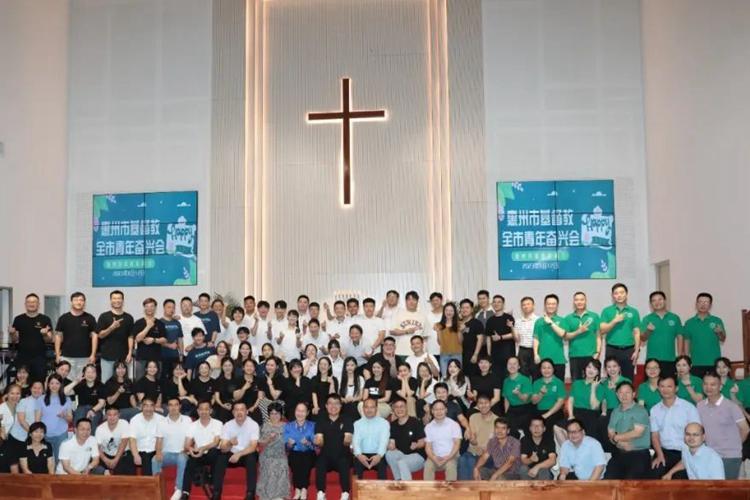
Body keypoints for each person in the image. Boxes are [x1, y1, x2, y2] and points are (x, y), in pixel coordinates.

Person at [696, 371, 749, 479]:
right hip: (709, 455)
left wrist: (734, 445)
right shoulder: (700, 406)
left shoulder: (731, 406)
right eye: (705, 384)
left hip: (729, 456)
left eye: (713, 384)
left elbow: (745, 429)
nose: (708, 387)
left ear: (720, 387)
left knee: (727, 491)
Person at [648, 375, 700, 479]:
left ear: (676, 388)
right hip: (664, 452)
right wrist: (659, 454)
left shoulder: (688, 408)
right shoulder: (654, 410)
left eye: (669, 386)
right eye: (662, 386)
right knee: (653, 475)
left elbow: (697, 435)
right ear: (658, 388)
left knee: (679, 479)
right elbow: (655, 435)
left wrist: (688, 456)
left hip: (686, 452)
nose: (665, 390)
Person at [604, 381, 651, 479]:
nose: (624, 395)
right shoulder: (615, 411)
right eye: (621, 392)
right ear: (617, 394)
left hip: (638, 454)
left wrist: (617, 437)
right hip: (619, 452)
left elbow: (637, 432)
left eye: (627, 392)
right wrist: (617, 442)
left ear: (634, 394)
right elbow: (610, 432)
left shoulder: (640, 410)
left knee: (631, 485)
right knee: (608, 479)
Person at [215, 400, 260, 500]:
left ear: (247, 411)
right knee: (221, 457)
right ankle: (216, 492)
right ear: (233, 412)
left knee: (252, 458)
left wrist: (239, 454)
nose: (239, 412)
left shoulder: (253, 425)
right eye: (236, 410)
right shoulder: (227, 425)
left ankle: (250, 493)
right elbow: (223, 449)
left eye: (242, 410)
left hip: (246, 453)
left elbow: (253, 447)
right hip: (231, 453)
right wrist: (230, 443)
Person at [179, 400, 222, 499]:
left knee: (215, 453)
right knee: (190, 462)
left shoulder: (218, 423)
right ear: (198, 411)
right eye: (201, 409)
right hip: (198, 453)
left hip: (212, 452)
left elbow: (216, 442)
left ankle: (215, 489)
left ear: (210, 411)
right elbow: (186, 444)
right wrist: (190, 450)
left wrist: (203, 448)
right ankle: (185, 492)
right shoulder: (192, 425)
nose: (204, 412)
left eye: (206, 409)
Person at [314, 394, 353, 500]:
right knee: (320, 461)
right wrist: (318, 441)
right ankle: (321, 492)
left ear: (341, 406)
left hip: (342, 455)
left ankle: (345, 492)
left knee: (345, 460)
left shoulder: (347, 419)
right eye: (330, 403)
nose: (333, 406)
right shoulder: (321, 419)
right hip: (326, 455)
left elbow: (347, 439)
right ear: (326, 406)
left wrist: (348, 439)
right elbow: (319, 440)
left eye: (336, 403)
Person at [599, 283, 641, 381]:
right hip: (612, 349)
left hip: (629, 350)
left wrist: (637, 350)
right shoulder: (607, 311)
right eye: (616, 293)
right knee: (611, 379)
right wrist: (614, 321)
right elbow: (602, 330)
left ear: (626, 294)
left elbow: (637, 332)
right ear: (612, 296)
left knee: (628, 379)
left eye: (622, 292)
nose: (619, 295)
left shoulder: (633, 311)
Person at [153, 397, 191, 500]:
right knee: (154, 460)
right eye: (171, 405)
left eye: (176, 405)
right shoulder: (162, 422)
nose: (173, 407)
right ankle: (157, 488)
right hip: (167, 454)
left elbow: (190, 438)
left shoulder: (187, 420)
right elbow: (159, 440)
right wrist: (158, 452)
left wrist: (186, 449)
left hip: (181, 453)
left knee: (182, 458)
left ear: (180, 406)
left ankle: (178, 489)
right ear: (167, 407)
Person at [10, 293, 54, 382]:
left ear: (38, 304)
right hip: (22, 357)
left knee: (39, 384)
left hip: (39, 358)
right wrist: (12, 333)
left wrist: (45, 334)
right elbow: (14, 340)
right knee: (22, 383)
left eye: (34, 302)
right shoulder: (18, 319)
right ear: (25, 304)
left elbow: (49, 339)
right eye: (29, 302)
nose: (31, 304)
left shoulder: (45, 319)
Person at [54, 292, 98, 379]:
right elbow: (58, 336)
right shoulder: (63, 318)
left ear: (84, 302)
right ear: (71, 302)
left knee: (82, 382)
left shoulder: (90, 318)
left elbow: (95, 336)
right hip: (67, 357)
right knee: (66, 382)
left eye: (81, 300)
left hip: (85, 357)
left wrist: (93, 354)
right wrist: (57, 355)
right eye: (76, 300)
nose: (79, 302)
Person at [640, 291, 682, 378]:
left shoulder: (674, 318)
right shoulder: (647, 319)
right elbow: (643, 338)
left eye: (660, 299)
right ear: (651, 303)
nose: (657, 302)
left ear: (665, 301)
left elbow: (680, 336)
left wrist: (680, 357)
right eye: (654, 300)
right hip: (652, 360)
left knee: (670, 388)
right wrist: (648, 330)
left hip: (670, 359)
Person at [96, 290, 135, 383]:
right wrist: (111, 327)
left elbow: (130, 336)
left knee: (124, 383)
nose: (117, 300)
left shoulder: (129, 317)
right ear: (111, 300)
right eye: (114, 298)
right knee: (106, 382)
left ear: (122, 300)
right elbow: (100, 335)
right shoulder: (104, 316)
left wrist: (130, 353)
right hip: (107, 357)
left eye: (119, 298)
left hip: (124, 358)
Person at [683, 292, 725, 377]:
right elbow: (686, 342)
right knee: (697, 388)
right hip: (695, 363)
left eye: (706, 302)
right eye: (700, 302)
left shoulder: (717, 320)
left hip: (714, 363)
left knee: (713, 388)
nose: (703, 304)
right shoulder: (689, 323)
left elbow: (722, 339)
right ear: (696, 304)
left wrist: (720, 332)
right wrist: (687, 361)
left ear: (710, 305)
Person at [457, 394, 498, 480]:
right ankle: (465, 490)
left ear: (490, 404)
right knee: (462, 459)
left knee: (472, 461)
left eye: (486, 403)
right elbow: (473, 439)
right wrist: (472, 439)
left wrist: (484, 449)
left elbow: (495, 442)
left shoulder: (497, 420)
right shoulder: (473, 417)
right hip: (473, 451)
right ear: (477, 405)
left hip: (488, 454)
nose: (483, 406)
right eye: (480, 403)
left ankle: (473, 488)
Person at [385, 397, 426, 480]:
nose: (399, 409)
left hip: (417, 457)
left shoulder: (415, 422)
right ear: (393, 410)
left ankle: (407, 488)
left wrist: (417, 445)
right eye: (396, 407)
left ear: (406, 408)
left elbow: (422, 442)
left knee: (401, 462)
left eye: (402, 406)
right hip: (402, 455)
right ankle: (399, 480)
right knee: (389, 454)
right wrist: (389, 446)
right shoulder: (393, 425)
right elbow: (392, 443)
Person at [564, 292, 601, 381]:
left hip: (591, 355)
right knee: (576, 383)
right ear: (574, 302)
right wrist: (578, 331)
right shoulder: (568, 318)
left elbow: (598, 336)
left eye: (581, 299)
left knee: (593, 383)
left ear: (585, 301)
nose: (579, 302)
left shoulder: (594, 316)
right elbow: (566, 337)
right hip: (575, 356)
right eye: (576, 300)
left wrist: (598, 352)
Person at [284, 402, 316, 500]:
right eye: (298, 410)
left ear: (307, 413)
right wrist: (289, 445)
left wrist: (308, 444)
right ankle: (298, 489)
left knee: (306, 458)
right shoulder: (288, 426)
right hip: (294, 453)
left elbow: (317, 447)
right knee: (295, 458)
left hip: (309, 453)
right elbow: (286, 448)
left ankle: (304, 489)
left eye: (303, 411)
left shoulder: (313, 425)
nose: (300, 413)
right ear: (295, 412)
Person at [423, 400, 461, 480]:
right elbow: (428, 447)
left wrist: (447, 458)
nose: (439, 412)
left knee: (450, 466)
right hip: (434, 457)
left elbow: (457, 444)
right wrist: (434, 458)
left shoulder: (454, 425)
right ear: (432, 411)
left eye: (441, 409)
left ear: (446, 410)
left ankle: (449, 491)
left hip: (451, 457)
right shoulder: (428, 427)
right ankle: (428, 491)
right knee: (428, 465)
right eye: (436, 409)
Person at [353, 397, 390, 479]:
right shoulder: (357, 423)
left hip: (378, 455)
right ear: (363, 409)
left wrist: (379, 456)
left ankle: (381, 491)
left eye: (372, 407)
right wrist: (359, 455)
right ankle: (357, 491)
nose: (369, 410)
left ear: (376, 408)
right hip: (361, 455)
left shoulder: (384, 423)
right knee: (356, 472)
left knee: (382, 469)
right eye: (366, 407)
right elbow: (355, 441)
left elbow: (384, 441)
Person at [530, 359, 566, 442]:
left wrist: (547, 415)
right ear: (540, 370)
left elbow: (560, 402)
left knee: (547, 427)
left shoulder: (558, 382)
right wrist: (541, 394)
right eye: (544, 368)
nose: (546, 370)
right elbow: (534, 401)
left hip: (555, 412)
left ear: (553, 369)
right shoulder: (536, 383)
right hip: (539, 412)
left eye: (549, 368)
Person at [532, 294, 566, 380]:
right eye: (549, 304)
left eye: (553, 304)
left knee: (559, 387)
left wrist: (551, 322)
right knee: (539, 388)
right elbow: (536, 339)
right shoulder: (538, 322)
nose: (551, 306)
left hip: (558, 360)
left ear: (557, 306)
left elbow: (563, 334)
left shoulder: (562, 320)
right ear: (545, 305)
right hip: (542, 360)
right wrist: (536, 354)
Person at [484, 295, 515, 386]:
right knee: (497, 379)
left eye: (499, 302)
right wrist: (488, 354)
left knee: (508, 379)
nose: (496, 304)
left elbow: (514, 335)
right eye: (494, 302)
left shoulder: (509, 318)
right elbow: (488, 338)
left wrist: (500, 337)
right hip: (495, 355)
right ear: (492, 304)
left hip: (508, 354)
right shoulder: (490, 320)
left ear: (503, 304)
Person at [95, 405, 135, 475]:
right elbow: (98, 447)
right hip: (106, 455)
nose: (112, 417)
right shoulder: (100, 428)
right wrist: (105, 460)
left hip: (122, 454)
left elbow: (124, 443)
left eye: (115, 414)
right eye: (109, 415)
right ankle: (105, 472)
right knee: (94, 461)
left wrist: (116, 459)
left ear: (119, 415)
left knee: (126, 464)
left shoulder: (124, 423)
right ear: (105, 415)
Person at [133, 298, 167, 380]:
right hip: (142, 358)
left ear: (155, 308)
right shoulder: (139, 322)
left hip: (156, 358)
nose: (149, 308)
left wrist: (154, 340)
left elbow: (164, 340)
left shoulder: (160, 323)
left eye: (152, 306)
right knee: (139, 381)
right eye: (147, 306)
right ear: (144, 308)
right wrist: (148, 326)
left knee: (156, 382)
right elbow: (137, 339)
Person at [41, 374, 73, 460]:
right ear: (48, 384)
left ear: (61, 385)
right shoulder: (41, 399)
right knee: (45, 462)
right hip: (44, 435)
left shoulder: (67, 399)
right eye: (52, 383)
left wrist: (64, 416)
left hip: (61, 435)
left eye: (57, 383)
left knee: (60, 461)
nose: (54, 386)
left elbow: (70, 419)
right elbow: (37, 419)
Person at [65, 363, 105, 429]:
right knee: (78, 421)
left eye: (93, 372)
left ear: (96, 374)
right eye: (88, 372)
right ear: (84, 374)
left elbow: (101, 403)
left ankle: (91, 438)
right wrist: (75, 382)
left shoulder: (101, 386)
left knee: (91, 421)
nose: (90, 374)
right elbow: (65, 392)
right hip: (81, 408)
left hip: (96, 409)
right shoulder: (80, 385)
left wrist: (92, 410)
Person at [129, 398, 163, 475]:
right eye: (146, 406)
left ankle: (149, 484)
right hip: (139, 450)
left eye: (151, 406)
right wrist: (136, 455)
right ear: (141, 407)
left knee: (148, 459)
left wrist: (159, 452)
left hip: (155, 450)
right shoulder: (135, 420)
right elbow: (132, 439)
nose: (149, 409)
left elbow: (163, 439)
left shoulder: (161, 419)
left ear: (154, 407)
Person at [390, 291, 428, 359]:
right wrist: (406, 331)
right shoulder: (398, 313)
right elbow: (392, 331)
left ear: (417, 301)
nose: (411, 302)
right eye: (409, 299)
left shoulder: (423, 316)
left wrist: (424, 352)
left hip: (418, 354)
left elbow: (425, 337)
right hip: (401, 352)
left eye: (414, 299)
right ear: (406, 301)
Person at [503, 356, 532, 438]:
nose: (512, 366)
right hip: (512, 410)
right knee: (510, 431)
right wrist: (506, 414)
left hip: (525, 409)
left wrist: (518, 393)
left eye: (514, 364)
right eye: (509, 364)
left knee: (528, 432)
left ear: (519, 366)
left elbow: (525, 399)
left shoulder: (525, 380)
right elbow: (506, 399)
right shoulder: (506, 381)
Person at [459, 299, 486, 377]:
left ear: (471, 309)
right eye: (462, 308)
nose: (464, 310)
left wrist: (475, 354)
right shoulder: (458, 323)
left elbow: (480, 339)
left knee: (472, 376)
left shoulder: (477, 323)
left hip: (472, 355)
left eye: (467, 308)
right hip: (460, 355)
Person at [0, 384, 22, 472]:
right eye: (12, 393)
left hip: (18, 441)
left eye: (18, 393)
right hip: (3, 443)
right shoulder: (1, 408)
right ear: (7, 394)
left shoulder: (22, 406)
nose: (15, 396)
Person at [160, 299, 184, 381]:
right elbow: (157, 341)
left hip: (175, 356)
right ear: (164, 308)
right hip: (163, 356)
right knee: (164, 378)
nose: (171, 309)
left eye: (173, 307)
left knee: (175, 378)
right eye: (169, 307)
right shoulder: (159, 323)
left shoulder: (177, 323)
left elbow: (180, 339)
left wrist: (181, 354)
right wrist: (169, 345)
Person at [513, 297, 537, 378]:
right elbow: (517, 339)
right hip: (522, 351)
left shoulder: (539, 320)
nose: (526, 306)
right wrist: (511, 328)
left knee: (536, 374)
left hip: (535, 350)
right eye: (523, 305)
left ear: (533, 306)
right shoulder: (518, 321)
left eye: (528, 304)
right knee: (523, 375)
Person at [424, 292, 444, 361]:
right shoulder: (428, 315)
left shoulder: (447, 314)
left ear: (441, 300)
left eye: (437, 300)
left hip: (445, 350)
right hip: (431, 349)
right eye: (432, 301)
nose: (435, 302)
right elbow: (425, 333)